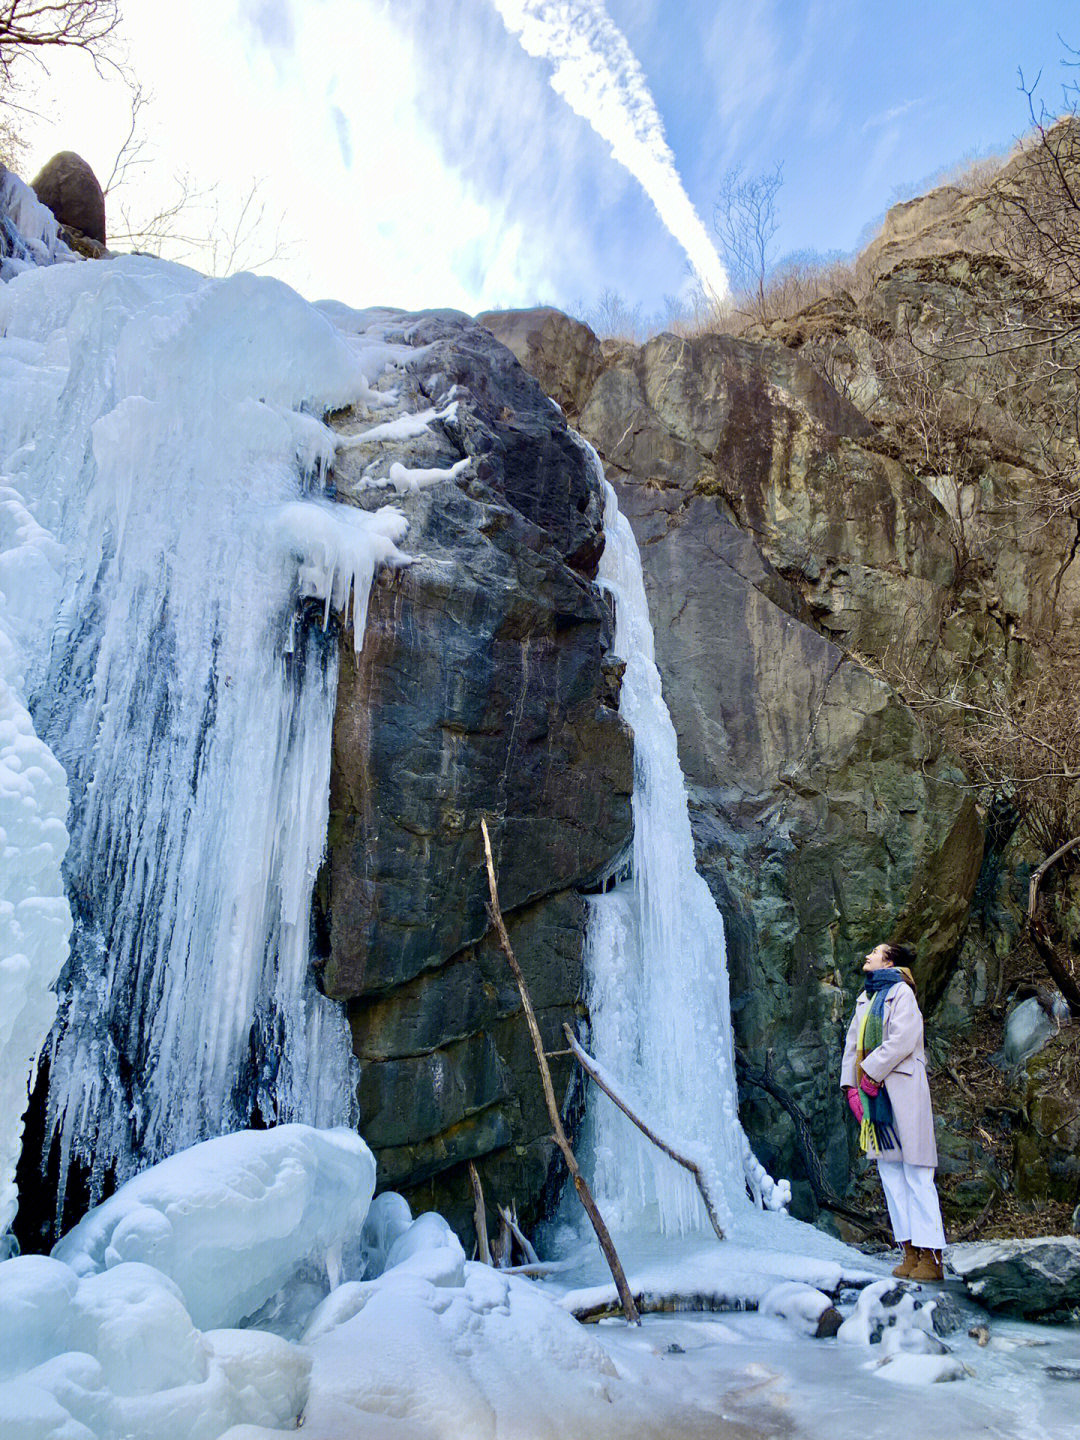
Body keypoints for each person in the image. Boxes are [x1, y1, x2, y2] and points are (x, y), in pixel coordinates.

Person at [840, 942, 946, 1282]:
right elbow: (851, 1046)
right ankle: (910, 1250)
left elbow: (903, 1039)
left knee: (917, 1172)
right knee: (890, 1173)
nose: (867, 955)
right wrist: (851, 1087)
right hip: (875, 1098)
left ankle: (932, 1256)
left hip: (902, 1090)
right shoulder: (866, 998)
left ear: (889, 960)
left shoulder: (901, 993)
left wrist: (870, 1072)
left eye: (874, 951)